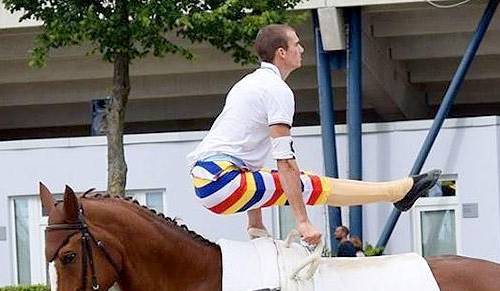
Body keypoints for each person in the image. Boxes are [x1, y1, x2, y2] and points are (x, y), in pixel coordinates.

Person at [187, 24, 439, 246]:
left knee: (289, 182)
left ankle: (397, 191)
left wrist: (256, 226)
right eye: (297, 44)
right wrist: (303, 222)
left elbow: (250, 163)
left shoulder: (249, 83)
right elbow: (284, 161)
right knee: (306, 184)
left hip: (211, 179)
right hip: (222, 183)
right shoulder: (277, 90)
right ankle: (397, 191)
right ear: (281, 53)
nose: (303, 49)